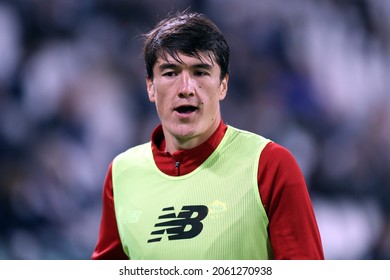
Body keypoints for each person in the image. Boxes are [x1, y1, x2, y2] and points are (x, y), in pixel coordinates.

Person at [91, 11, 324, 260]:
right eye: (170, 73)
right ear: (150, 86)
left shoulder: (269, 165)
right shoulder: (121, 173)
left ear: (223, 84)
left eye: (200, 72)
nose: (186, 89)